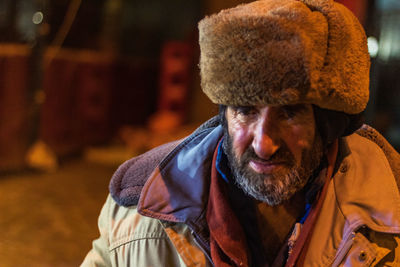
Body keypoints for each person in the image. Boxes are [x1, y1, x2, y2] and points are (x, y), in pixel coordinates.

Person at [81, 0, 400, 266]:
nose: (263, 143)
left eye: (289, 114)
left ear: (327, 124)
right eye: (246, 111)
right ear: (223, 115)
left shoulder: (391, 216)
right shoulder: (134, 215)